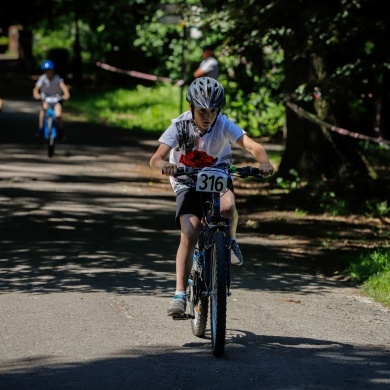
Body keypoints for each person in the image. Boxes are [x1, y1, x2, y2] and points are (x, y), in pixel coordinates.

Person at [149, 77, 274, 317]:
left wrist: (264, 162)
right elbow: (156, 158)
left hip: (217, 176)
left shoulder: (224, 124)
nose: (208, 116)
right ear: (191, 108)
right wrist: (165, 164)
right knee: (191, 229)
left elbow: (252, 146)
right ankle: (179, 294)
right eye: (202, 111)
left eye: (213, 111)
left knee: (227, 208)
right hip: (186, 179)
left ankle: (231, 241)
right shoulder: (179, 126)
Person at [32, 60, 70, 140]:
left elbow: (64, 88)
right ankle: (41, 128)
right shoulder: (42, 79)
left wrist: (66, 95)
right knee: (44, 109)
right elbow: (36, 89)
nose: (48, 73)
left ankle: (60, 130)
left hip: (56, 99)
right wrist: (36, 94)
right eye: (46, 71)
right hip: (46, 98)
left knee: (58, 114)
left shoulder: (57, 79)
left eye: (50, 71)